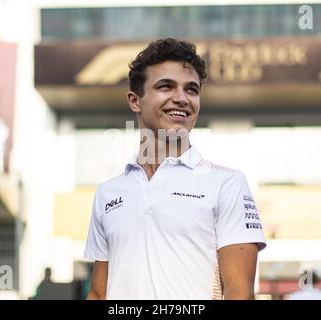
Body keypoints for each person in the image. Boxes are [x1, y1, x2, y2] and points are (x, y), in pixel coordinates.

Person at [84, 38, 266, 300]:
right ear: (135, 101)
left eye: (191, 90)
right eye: (166, 86)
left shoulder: (228, 183)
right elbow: (99, 294)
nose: (181, 98)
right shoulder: (107, 193)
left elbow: (239, 292)